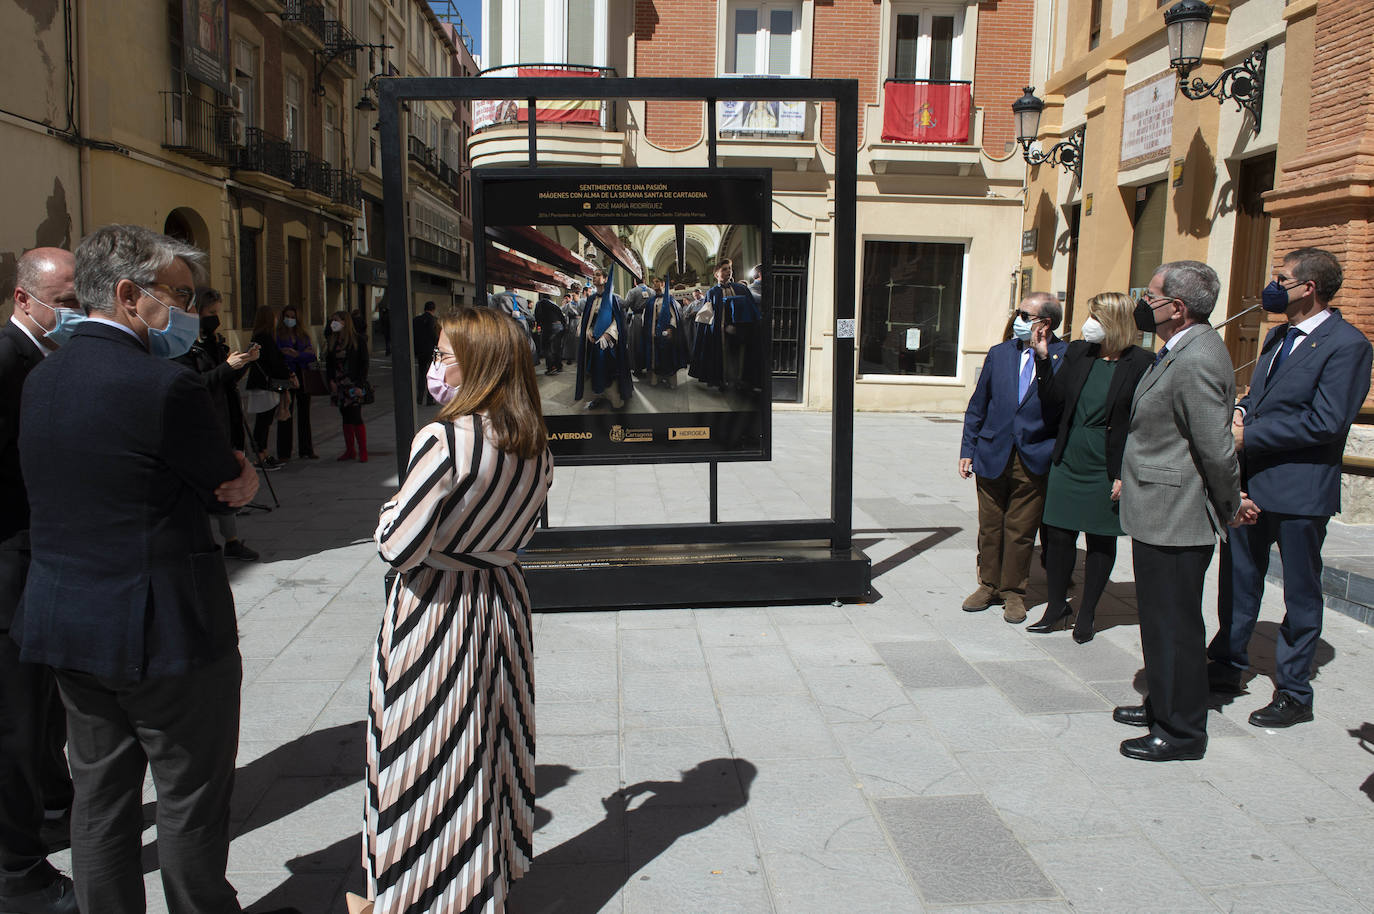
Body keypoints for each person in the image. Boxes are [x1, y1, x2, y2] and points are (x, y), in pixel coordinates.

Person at [12, 225, 290, 914]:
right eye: (181, 295)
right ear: (131, 295)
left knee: (100, 799)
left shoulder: (42, 376)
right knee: (189, 794)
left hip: (70, 628)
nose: (189, 310)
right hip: (165, 633)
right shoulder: (162, 386)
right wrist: (245, 473)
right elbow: (221, 482)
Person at [366, 306, 552, 914]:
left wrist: (392, 508)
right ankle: (484, 875)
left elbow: (398, 545)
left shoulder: (444, 439)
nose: (435, 366)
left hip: (436, 614)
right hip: (501, 603)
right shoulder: (536, 445)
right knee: (490, 746)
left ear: (480, 364)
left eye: (445, 356)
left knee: (427, 755)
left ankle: (425, 892)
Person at [1210, 248, 1373, 727]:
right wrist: (1242, 413)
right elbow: (1260, 398)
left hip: (1300, 489)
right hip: (1250, 481)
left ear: (1310, 288)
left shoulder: (1348, 345)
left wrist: (1248, 435)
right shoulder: (1278, 336)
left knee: (1301, 590)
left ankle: (1295, 691)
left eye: (1282, 278)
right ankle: (1227, 663)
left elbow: (1327, 421)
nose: (1273, 286)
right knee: (1238, 579)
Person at [1113, 261, 1252, 763]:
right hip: (1159, 507)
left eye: (1150, 295)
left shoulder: (1198, 357)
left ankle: (1181, 731)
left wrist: (1232, 503)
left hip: (1179, 514)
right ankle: (1162, 707)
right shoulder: (1178, 348)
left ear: (1178, 307)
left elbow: (1215, 447)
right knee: (1159, 622)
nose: (1141, 302)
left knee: (1174, 627)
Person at [0, 248, 78, 914]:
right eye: (66, 300)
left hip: (42, 562)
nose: (75, 313)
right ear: (25, 299)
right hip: (12, 568)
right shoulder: (8, 363)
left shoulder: (49, 358)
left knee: (45, 708)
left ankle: (56, 801)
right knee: (17, 721)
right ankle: (17, 871)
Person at [1026, 293, 1153, 641]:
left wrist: (1125, 472)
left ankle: (1087, 612)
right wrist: (1042, 360)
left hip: (1108, 460)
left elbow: (1145, 423)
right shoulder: (1080, 352)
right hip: (1071, 457)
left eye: (1096, 317)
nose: (1088, 324)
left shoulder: (1142, 362)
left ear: (1115, 322)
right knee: (1059, 535)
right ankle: (1056, 607)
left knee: (1101, 539)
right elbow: (1054, 401)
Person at [958, 293, 1066, 623]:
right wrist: (967, 450)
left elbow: (1061, 407)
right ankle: (988, 585)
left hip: (1034, 455)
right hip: (992, 452)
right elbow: (979, 405)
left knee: (1020, 530)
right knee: (990, 526)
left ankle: (1014, 592)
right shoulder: (1000, 354)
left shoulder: (1066, 357)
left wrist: (1044, 358)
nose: (1017, 318)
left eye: (1024, 314)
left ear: (1044, 323)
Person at [176, 288, 262, 562]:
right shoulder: (182, 347)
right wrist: (227, 367)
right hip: (202, 423)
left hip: (225, 418)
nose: (215, 318)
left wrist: (244, 363)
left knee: (228, 477)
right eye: (211, 312)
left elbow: (225, 380)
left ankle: (232, 541)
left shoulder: (213, 342)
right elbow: (196, 384)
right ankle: (205, 540)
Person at [690, 259, 763, 393]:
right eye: (724, 269)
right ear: (716, 274)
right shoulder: (712, 293)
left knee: (739, 356)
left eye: (729, 268)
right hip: (720, 331)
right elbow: (707, 315)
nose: (728, 271)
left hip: (741, 331)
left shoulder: (741, 289)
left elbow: (751, 310)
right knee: (724, 356)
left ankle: (740, 381)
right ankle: (723, 380)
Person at [575, 266, 633, 410]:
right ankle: (597, 395)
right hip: (592, 340)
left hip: (609, 342)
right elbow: (586, 319)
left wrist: (608, 335)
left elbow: (618, 320)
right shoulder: (590, 299)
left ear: (605, 279)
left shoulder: (615, 298)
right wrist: (588, 332)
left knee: (610, 369)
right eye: (594, 275)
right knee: (593, 369)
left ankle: (614, 396)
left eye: (598, 275)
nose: (595, 277)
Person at [246, 305, 293, 469]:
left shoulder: (259, 337)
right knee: (263, 421)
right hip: (265, 386)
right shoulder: (264, 338)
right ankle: (261, 455)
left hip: (262, 384)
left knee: (264, 421)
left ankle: (263, 453)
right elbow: (273, 362)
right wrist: (287, 375)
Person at [274, 305, 318, 460]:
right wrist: (300, 355)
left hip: (303, 377)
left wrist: (296, 354)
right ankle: (284, 452)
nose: (290, 319)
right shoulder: (278, 335)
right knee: (286, 411)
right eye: (287, 316)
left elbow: (312, 356)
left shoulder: (303, 335)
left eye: (293, 317)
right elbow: (280, 355)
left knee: (304, 414)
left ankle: (306, 449)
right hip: (287, 376)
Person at [327, 309, 370, 462]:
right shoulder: (333, 341)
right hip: (339, 385)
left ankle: (363, 451)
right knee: (345, 416)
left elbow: (364, 364)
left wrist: (360, 384)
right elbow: (329, 364)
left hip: (353, 384)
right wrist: (330, 380)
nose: (334, 323)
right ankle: (350, 450)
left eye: (336, 320)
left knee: (356, 416)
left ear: (345, 322)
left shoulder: (358, 341)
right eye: (333, 320)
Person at [638, 277, 689, 389]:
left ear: (662, 284)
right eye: (653, 282)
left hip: (666, 332)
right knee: (655, 355)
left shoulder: (669, 299)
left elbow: (674, 315)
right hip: (653, 333)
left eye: (657, 281)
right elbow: (646, 317)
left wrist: (671, 328)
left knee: (667, 355)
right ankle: (655, 378)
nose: (654, 284)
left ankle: (671, 380)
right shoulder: (651, 301)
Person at [412, 300, 439, 406]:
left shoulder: (416, 320)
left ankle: (419, 398)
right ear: (433, 309)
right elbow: (434, 335)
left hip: (420, 351)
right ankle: (429, 399)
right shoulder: (433, 320)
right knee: (431, 375)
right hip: (430, 351)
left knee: (421, 374)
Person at [534, 292, 566, 375]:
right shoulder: (554, 304)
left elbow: (538, 316)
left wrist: (539, 325)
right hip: (559, 326)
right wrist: (564, 327)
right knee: (557, 348)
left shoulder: (540, 303)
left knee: (546, 347)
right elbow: (561, 316)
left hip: (548, 326)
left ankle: (551, 368)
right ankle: (559, 366)